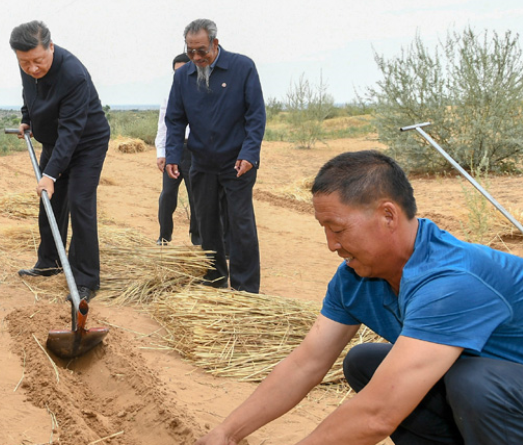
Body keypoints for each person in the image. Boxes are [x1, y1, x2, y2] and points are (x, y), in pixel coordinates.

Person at [196, 150, 523, 445]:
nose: (331, 244)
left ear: (388, 216)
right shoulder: (356, 277)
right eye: (324, 229)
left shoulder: (451, 281)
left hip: (500, 388)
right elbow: (305, 363)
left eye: (337, 229)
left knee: (475, 383)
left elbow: (378, 414)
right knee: (364, 362)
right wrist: (226, 433)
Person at [10, 20, 110, 303]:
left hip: (86, 142)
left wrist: (51, 175)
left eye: (38, 61)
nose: (32, 68)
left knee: (79, 203)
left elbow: (72, 131)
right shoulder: (29, 64)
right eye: (24, 62)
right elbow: (29, 93)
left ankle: (86, 280)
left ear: (51, 47)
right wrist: (26, 118)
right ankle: (50, 261)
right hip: (56, 140)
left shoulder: (72, 74)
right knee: (50, 202)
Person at [165, 19, 266, 292]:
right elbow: (174, 120)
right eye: (190, 52)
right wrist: (173, 155)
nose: (196, 57)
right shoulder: (182, 76)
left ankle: (245, 288)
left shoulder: (242, 68)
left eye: (202, 51)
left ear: (215, 44)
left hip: (237, 163)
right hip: (201, 162)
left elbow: (256, 115)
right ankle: (215, 277)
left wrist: (249, 153)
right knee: (206, 223)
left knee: (240, 223)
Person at [155, 53, 200, 246]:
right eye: (176, 72)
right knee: (167, 196)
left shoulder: (203, 93)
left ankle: (198, 240)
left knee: (195, 197)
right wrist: (161, 153)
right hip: (174, 150)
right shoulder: (170, 96)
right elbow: (163, 126)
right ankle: (164, 236)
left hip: (196, 151)